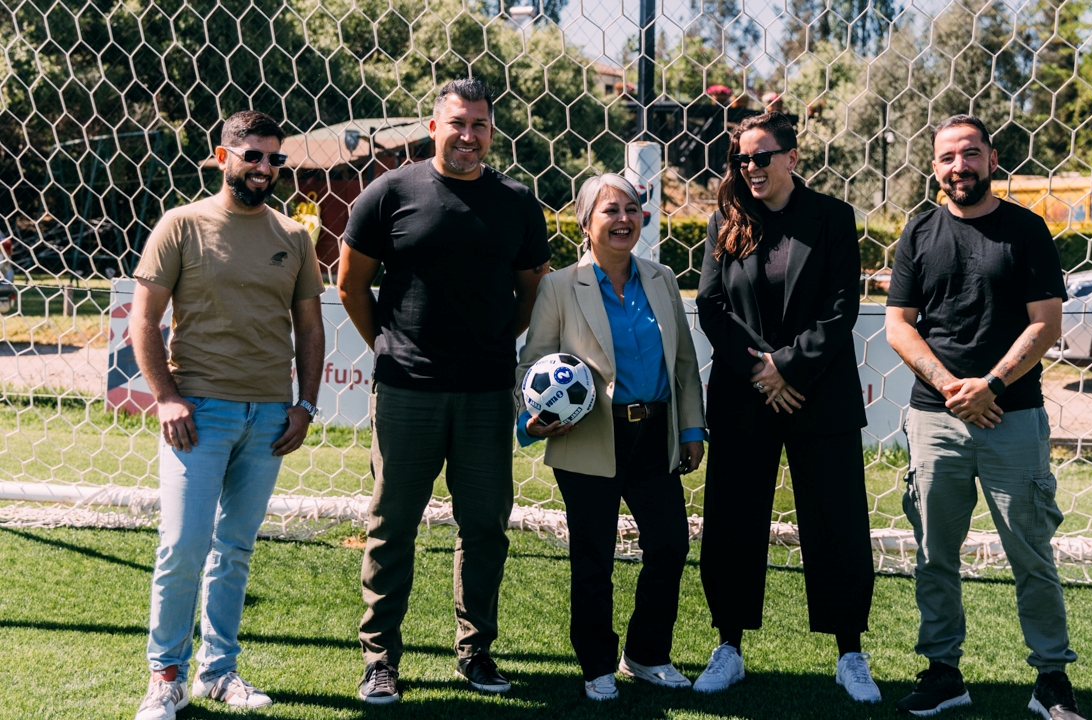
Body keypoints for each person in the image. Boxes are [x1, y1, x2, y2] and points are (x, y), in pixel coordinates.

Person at [338, 77, 551, 705]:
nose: (469, 135)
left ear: (492, 130)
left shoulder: (515, 201)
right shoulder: (391, 192)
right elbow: (352, 284)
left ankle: (476, 650)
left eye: (480, 124)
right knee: (391, 525)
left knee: (485, 526)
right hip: (406, 391)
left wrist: (492, 345)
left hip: (486, 394)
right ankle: (380, 659)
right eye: (457, 123)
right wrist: (389, 345)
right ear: (433, 127)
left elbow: (531, 292)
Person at [885, 114, 1085, 720]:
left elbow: (1046, 324)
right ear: (935, 167)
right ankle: (944, 673)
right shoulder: (918, 233)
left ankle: (1051, 680)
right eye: (947, 157)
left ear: (992, 160)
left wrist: (991, 384)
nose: (958, 167)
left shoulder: (1026, 230)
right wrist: (951, 386)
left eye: (969, 154)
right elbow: (898, 325)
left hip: (1013, 414)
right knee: (934, 555)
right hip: (936, 417)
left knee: (1031, 554)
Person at [130, 110, 325, 720]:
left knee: (234, 549)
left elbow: (312, 330)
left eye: (276, 159)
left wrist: (306, 405)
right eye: (254, 156)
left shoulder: (294, 237)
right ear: (223, 157)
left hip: (269, 418)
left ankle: (218, 672)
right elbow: (143, 320)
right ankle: (166, 677)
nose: (266, 168)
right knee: (184, 544)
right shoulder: (181, 225)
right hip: (198, 414)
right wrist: (166, 395)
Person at [693, 111, 879, 702]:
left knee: (836, 523)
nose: (750, 168)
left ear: (792, 158)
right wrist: (763, 369)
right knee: (731, 523)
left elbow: (841, 306)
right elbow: (711, 306)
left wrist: (789, 367)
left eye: (761, 157)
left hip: (816, 395)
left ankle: (850, 652)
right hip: (745, 395)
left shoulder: (831, 217)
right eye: (740, 160)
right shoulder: (726, 219)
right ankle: (728, 646)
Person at [516, 174, 707, 701]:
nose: (623, 219)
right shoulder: (560, 286)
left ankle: (646, 655)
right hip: (589, 438)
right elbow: (532, 363)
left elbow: (685, 363)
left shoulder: (663, 278)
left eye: (632, 208)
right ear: (585, 223)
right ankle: (597, 664)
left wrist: (691, 429)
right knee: (594, 558)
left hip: (655, 435)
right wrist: (532, 420)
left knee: (670, 545)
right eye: (609, 211)